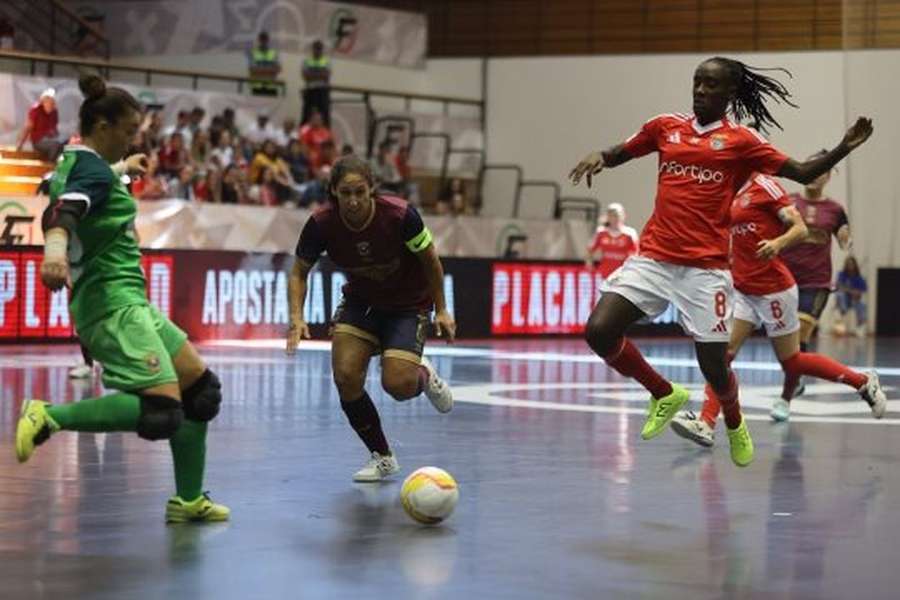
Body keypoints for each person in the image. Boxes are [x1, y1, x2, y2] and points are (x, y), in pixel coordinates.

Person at [569, 56, 873, 467]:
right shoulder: (665, 126)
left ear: (730, 93)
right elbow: (624, 151)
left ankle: (734, 422)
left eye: (712, 86)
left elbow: (802, 172)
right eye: (697, 82)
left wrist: (842, 148)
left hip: (706, 271)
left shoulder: (742, 141)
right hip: (655, 259)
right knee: (599, 332)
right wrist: (599, 156)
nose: (701, 91)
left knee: (715, 367)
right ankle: (664, 393)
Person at [15, 73, 229, 524]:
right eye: (129, 131)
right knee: (162, 411)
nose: (134, 139)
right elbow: (62, 211)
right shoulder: (90, 169)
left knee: (199, 390)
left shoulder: (82, 161)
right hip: (111, 303)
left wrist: (121, 169)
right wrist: (52, 252)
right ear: (104, 126)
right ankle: (50, 415)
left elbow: (81, 184)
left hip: (129, 300)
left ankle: (188, 501)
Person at [669, 174, 885, 447]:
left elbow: (800, 229)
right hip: (744, 289)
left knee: (792, 361)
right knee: (722, 357)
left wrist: (777, 244)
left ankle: (863, 382)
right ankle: (706, 423)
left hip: (774, 289)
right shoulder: (731, 188)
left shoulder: (765, 186)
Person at [286, 156, 455, 482]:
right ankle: (382, 456)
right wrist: (296, 317)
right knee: (346, 377)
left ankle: (423, 374)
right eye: (345, 193)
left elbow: (431, 262)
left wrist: (442, 309)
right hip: (361, 304)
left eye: (359, 192)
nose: (352, 201)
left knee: (398, 385)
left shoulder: (401, 216)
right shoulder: (321, 224)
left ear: (372, 189)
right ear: (333, 191)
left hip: (408, 305)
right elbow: (299, 272)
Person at [779, 153, 853, 396]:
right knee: (788, 340)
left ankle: (791, 385)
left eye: (822, 171)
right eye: (812, 168)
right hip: (783, 280)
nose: (815, 174)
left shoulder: (835, 209)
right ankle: (794, 376)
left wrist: (845, 239)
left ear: (829, 176)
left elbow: (844, 235)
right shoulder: (787, 202)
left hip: (816, 282)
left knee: (801, 329)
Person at [585, 203, 639, 278]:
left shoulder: (630, 233)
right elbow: (590, 250)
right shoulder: (601, 232)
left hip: (623, 274)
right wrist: (589, 264)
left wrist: (632, 270)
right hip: (605, 273)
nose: (615, 218)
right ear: (608, 217)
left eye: (617, 215)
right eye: (611, 215)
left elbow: (636, 253)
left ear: (623, 216)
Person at [16, 88, 63, 161]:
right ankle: (49, 167)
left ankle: (56, 166)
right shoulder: (36, 110)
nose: (51, 105)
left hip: (50, 139)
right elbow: (28, 128)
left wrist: (55, 134)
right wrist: (20, 144)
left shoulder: (54, 112)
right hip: (38, 141)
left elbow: (55, 130)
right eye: (49, 102)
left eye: (52, 103)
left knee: (63, 144)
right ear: (43, 102)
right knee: (55, 145)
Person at [834, 255, 868, 337]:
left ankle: (860, 327)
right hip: (843, 301)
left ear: (855, 265)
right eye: (848, 264)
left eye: (851, 264)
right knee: (840, 294)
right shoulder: (841, 275)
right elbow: (839, 286)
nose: (850, 266)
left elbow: (861, 292)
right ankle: (842, 313)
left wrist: (855, 293)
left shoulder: (859, 278)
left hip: (853, 301)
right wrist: (851, 291)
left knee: (862, 305)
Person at [301, 40, 331, 126]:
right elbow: (305, 77)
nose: (317, 51)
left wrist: (312, 74)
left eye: (319, 49)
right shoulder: (306, 61)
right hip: (310, 90)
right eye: (316, 48)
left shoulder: (326, 61)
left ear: (322, 50)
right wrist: (320, 74)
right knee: (306, 114)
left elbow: (326, 76)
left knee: (324, 114)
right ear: (313, 49)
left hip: (322, 91)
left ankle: (326, 137)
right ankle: (303, 135)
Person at [248, 31, 281, 97]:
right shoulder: (253, 52)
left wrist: (260, 69)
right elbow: (252, 70)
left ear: (268, 40)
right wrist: (270, 70)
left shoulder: (273, 53)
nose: (263, 41)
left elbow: (278, 69)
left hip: (271, 87)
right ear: (259, 40)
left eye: (265, 39)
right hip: (257, 87)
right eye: (262, 39)